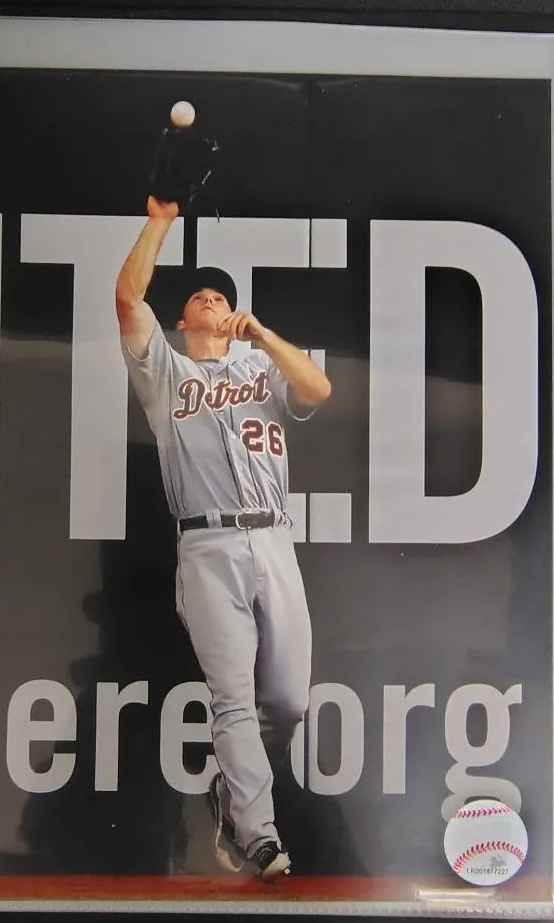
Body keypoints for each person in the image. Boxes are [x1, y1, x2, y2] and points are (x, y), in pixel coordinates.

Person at [115, 196, 331, 881]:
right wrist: (160, 222)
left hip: (273, 539)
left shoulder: (261, 370)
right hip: (207, 547)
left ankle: (231, 789)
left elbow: (319, 388)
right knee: (233, 697)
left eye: (221, 296)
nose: (212, 300)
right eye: (200, 297)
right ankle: (258, 834)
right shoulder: (164, 375)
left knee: (289, 700)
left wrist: (261, 336)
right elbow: (127, 298)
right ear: (183, 321)